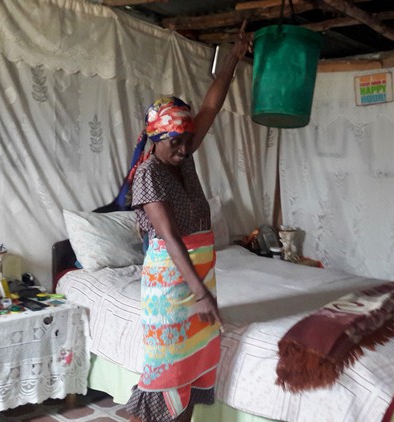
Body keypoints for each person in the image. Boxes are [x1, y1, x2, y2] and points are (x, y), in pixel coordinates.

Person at [118, 25, 251, 422]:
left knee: (192, 367)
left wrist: (233, 58)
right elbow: (171, 238)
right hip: (172, 284)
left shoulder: (182, 155)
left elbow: (211, 105)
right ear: (155, 138)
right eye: (174, 140)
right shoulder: (148, 174)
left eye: (185, 139)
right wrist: (202, 296)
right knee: (170, 370)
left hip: (199, 275)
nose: (182, 147)